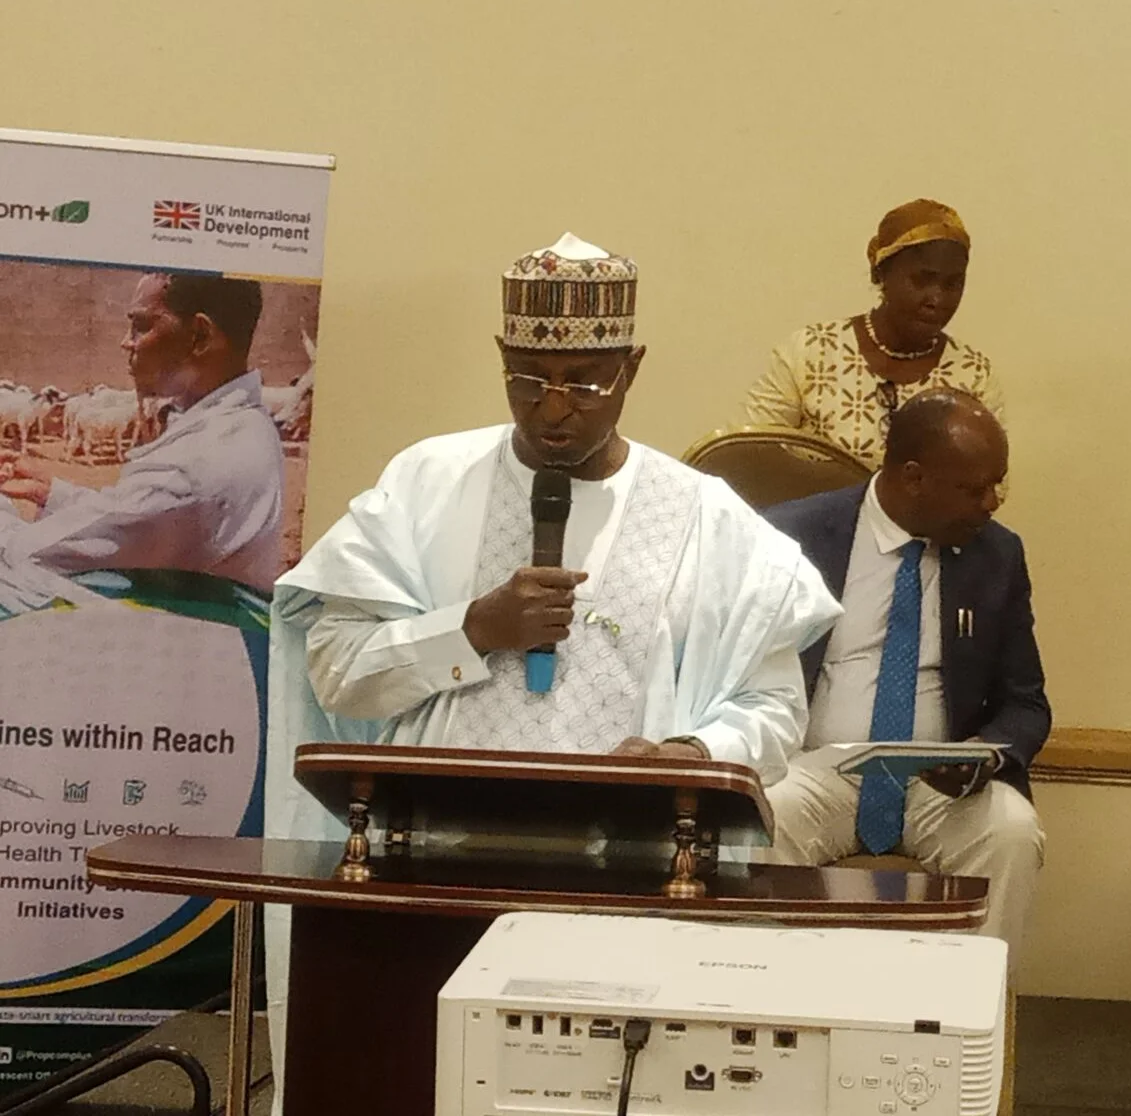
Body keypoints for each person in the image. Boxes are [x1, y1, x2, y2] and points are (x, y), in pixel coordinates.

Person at [262, 233, 842, 1108]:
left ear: (631, 368)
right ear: (503, 359)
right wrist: (472, 628)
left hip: (631, 873)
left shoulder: (708, 520)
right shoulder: (426, 484)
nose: (553, 410)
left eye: (584, 383)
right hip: (432, 865)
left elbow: (771, 707)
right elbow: (339, 670)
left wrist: (691, 754)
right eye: (528, 381)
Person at [762, 389, 1048, 962]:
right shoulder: (793, 536)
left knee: (1011, 831)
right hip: (815, 768)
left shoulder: (997, 555)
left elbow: (1026, 703)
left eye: (997, 485)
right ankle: (769, 997)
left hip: (939, 783)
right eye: (974, 489)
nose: (992, 503)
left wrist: (984, 756)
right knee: (759, 820)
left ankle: (968, 1006)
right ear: (914, 478)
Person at [0, 273, 281, 592]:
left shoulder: (189, 470)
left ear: (200, 336)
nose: (126, 341)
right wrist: (50, 492)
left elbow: (24, 554)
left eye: (142, 325)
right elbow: (135, 518)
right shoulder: (245, 425)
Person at [741, 199, 1005, 469]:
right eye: (922, 280)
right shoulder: (810, 353)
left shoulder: (973, 377)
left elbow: (990, 482)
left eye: (953, 284)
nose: (937, 299)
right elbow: (748, 459)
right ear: (880, 274)